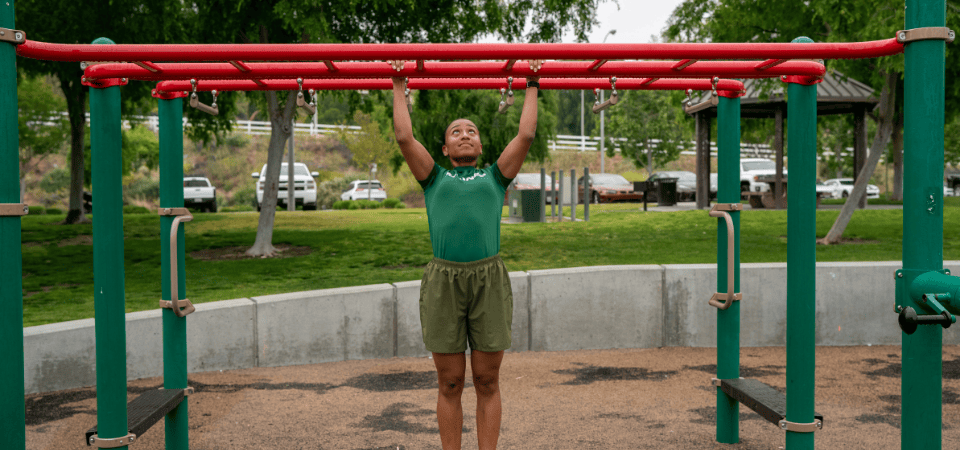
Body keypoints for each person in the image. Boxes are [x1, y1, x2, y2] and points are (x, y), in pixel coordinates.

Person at [392, 74, 539, 450]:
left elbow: (524, 136)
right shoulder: (433, 179)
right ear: (444, 147)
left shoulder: (495, 177)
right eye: (456, 131)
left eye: (471, 130)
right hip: (444, 282)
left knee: (487, 381)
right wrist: (397, 83)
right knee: (450, 382)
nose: (464, 134)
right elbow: (405, 138)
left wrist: (532, 83)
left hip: (488, 280)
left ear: (481, 143)